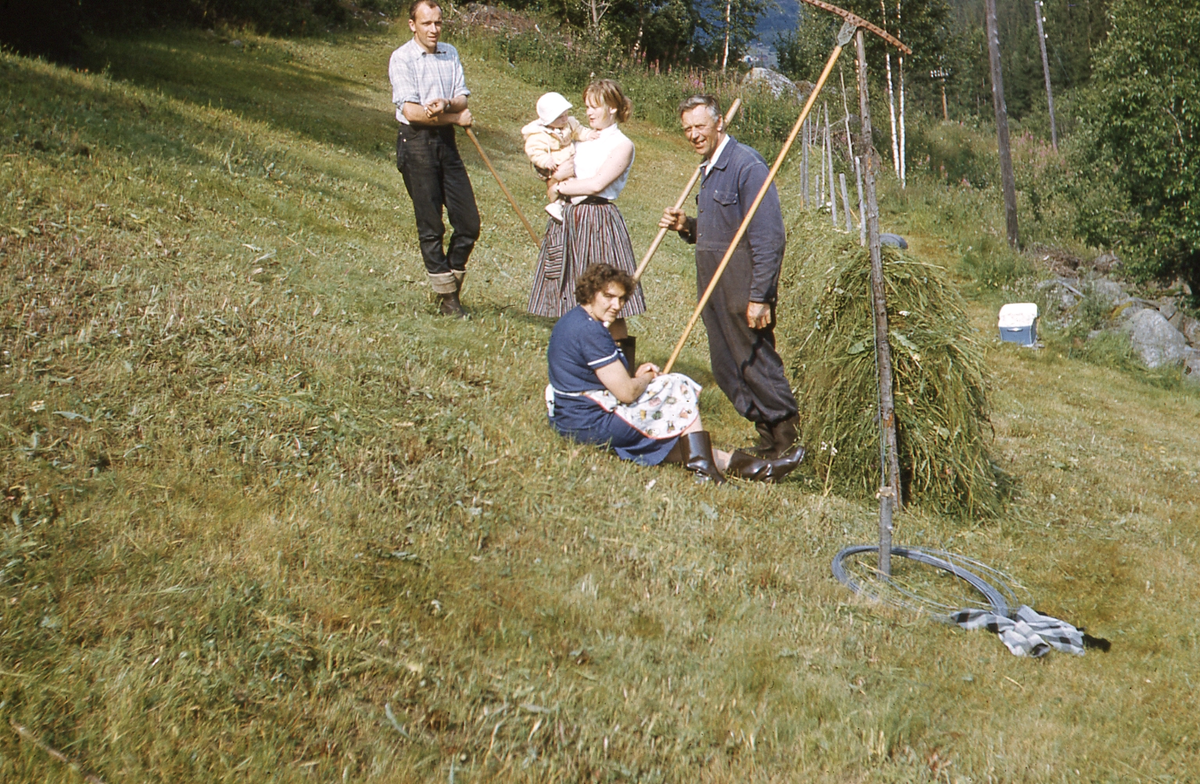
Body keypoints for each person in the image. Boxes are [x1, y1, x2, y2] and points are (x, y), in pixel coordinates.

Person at [546, 263, 806, 484]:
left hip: (570, 418)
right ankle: (704, 469)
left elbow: (605, 378)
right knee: (676, 385)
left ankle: (762, 470)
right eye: (609, 296)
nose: (616, 305)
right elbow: (626, 393)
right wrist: (647, 378)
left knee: (682, 445)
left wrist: (636, 376)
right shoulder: (591, 332)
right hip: (592, 423)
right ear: (590, 293)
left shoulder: (573, 320)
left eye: (622, 299)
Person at [659, 95, 801, 459]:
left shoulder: (746, 165)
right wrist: (687, 226)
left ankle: (787, 440)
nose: (693, 135)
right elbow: (722, 231)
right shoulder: (708, 167)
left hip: (742, 285)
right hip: (713, 285)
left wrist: (760, 295)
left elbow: (770, 236)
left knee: (755, 361)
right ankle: (767, 437)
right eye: (687, 128)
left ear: (719, 123)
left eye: (700, 126)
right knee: (727, 365)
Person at [528, 79, 646, 367]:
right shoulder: (581, 141)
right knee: (571, 296)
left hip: (598, 222)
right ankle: (575, 365)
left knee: (610, 301)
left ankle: (621, 370)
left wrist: (562, 186)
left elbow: (595, 184)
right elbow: (554, 179)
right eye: (586, 107)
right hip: (570, 220)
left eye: (595, 107)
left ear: (613, 108)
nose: (589, 113)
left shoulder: (622, 145)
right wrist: (556, 179)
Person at [389, 0, 480, 318]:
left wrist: (448, 103)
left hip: (446, 145)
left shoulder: (450, 52)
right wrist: (455, 118)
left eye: (438, 23)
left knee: (469, 223)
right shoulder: (402, 58)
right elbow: (412, 113)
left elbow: (461, 97)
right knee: (431, 226)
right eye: (426, 23)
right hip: (415, 144)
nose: (434, 29)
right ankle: (449, 301)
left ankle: (449, 287)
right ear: (413, 25)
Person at [521, 91, 595, 222]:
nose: (565, 119)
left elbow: (580, 131)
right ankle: (556, 205)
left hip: (567, 156)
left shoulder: (569, 124)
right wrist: (545, 161)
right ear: (549, 119)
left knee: (573, 177)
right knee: (562, 180)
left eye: (566, 114)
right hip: (553, 164)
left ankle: (572, 197)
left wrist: (589, 135)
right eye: (560, 117)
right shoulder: (538, 135)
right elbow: (534, 151)